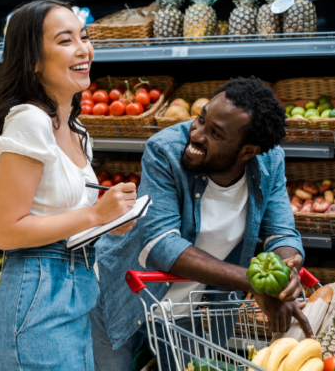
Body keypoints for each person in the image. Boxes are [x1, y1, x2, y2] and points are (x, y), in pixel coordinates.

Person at [91, 76, 313, 370]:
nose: (196, 134)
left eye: (216, 133)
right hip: (122, 293)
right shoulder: (165, 150)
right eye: (201, 119)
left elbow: (282, 234)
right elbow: (162, 245)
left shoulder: (269, 161)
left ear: (247, 151)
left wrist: (284, 277)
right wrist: (255, 283)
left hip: (190, 305)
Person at [0, 0, 136, 371]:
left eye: (85, 36)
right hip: (35, 301)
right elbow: (8, 231)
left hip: (74, 293)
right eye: (65, 41)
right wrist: (94, 214)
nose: (83, 49)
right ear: (32, 60)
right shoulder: (29, 121)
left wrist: (110, 221)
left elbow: (62, 215)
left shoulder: (77, 131)